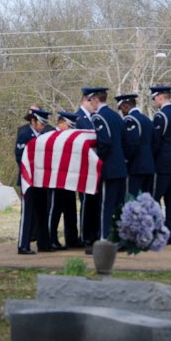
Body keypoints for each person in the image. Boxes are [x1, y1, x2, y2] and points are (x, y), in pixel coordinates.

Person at [86, 87, 127, 243]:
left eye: (91, 100)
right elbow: (124, 141)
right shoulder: (116, 116)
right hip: (121, 167)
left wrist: (97, 161)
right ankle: (120, 239)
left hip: (108, 168)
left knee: (106, 206)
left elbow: (104, 142)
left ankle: (104, 238)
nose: (90, 103)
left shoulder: (99, 117)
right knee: (119, 205)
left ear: (96, 99)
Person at [15, 107, 54, 254]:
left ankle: (43, 243)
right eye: (41, 122)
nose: (43, 125)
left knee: (42, 212)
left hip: (42, 180)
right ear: (33, 121)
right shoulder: (24, 135)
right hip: (29, 180)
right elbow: (20, 157)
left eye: (45, 123)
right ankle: (23, 245)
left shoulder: (46, 135)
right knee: (27, 214)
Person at [150, 85, 171, 245]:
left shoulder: (161, 116)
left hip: (162, 163)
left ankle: (157, 233)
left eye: (154, 97)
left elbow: (156, 142)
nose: (154, 101)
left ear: (160, 97)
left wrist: (151, 158)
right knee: (170, 201)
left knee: (155, 199)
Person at [47, 111, 81, 250]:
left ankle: (72, 239)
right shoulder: (50, 136)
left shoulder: (69, 137)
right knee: (54, 210)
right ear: (60, 123)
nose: (71, 129)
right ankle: (51, 239)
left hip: (69, 179)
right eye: (69, 126)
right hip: (55, 179)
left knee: (70, 210)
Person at [116, 93, 155, 196]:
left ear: (126, 106)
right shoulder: (147, 120)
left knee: (131, 200)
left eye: (121, 109)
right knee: (146, 202)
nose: (122, 112)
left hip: (135, 167)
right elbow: (154, 143)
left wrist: (125, 159)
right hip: (149, 166)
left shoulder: (130, 120)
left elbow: (132, 143)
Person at [75, 89, 99, 249]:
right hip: (84, 166)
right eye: (93, 101)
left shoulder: (94, 118)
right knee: (86, 202)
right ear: (86, 100)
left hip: (94, 166)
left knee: (94, 203)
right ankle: (85, 236)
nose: (95, 105)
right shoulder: (78, 118)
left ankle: (94, 234)